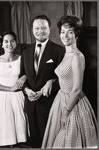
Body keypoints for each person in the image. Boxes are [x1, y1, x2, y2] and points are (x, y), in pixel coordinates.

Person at [41, 15, 97, 148]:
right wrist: (51, 80)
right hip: (61, 99)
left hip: (73, 104)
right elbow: (65, 73)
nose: (65, 36)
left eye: (70, 32)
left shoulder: (77, 56)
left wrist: (66, 113)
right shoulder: (66, 53)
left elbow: (77, 89)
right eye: (62, 32)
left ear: (76, 35)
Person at [20, 15, 65, 148]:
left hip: (48, 102)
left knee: (49, 140)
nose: (40, 31)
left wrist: (49, 84)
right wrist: (26, 90)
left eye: (44, 28)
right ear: (32, 30)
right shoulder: (25, 51)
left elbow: (63, 77)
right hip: (30, 103)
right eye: (37, 28)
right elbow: (22, 76)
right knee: (34, 140)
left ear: (49, 29)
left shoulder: (59, 50)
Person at [0, 31, 28, 147]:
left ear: (16, 43)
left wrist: (24, 77)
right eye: (6, 41)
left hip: (19, 96)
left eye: (12, 41)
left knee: (19, 125)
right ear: (2, 44)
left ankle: (17, 146)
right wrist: (10, 89)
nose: (9, 44)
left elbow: (29, 74)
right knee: (5, 125)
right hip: (2, 97)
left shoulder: (22, 59)